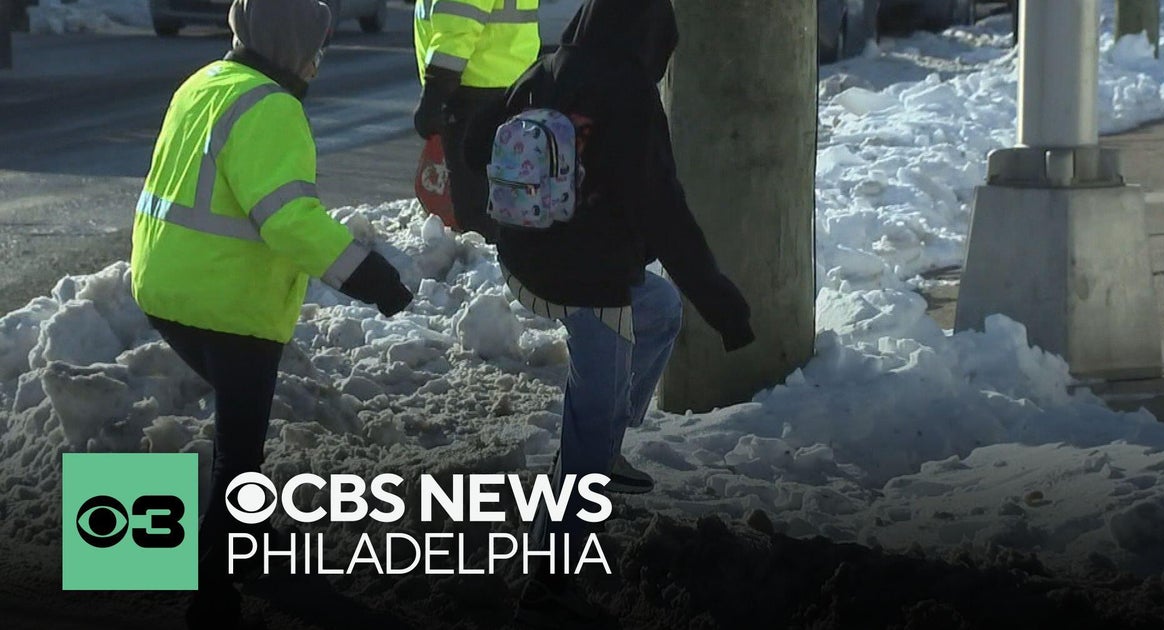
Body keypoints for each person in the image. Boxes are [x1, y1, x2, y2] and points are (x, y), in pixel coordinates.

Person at [464, 0, 755, 624]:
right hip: (588, 275)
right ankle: (549, 582)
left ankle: (603, 450)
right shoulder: (629, 91)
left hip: (524, 257)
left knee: (660, 307)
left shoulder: (547, 68)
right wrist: (725, 305)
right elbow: (664, 213)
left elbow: (472, 144)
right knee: (589, 419)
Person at [130, 0, 413, 627]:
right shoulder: (272, 107)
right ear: (292, 50)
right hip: (227, 303)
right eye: (314, 51)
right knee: (239, 459)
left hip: (164, 287)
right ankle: (213, 596)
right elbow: (287, 220)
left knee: (237, 445)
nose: (316, 64)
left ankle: (229, 557)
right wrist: (371, 277)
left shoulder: (205, 82)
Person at [412, 0, 540, 241]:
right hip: (501, 78)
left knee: (476, 209)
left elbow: (459, 24)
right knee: (500, 199)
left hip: (473, 87)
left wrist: (436, 87)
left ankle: (492, 259)